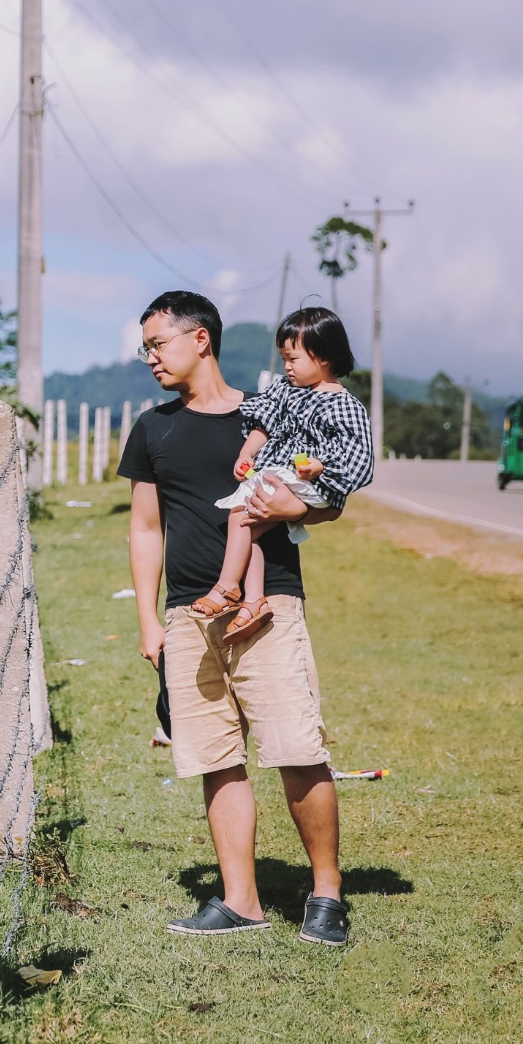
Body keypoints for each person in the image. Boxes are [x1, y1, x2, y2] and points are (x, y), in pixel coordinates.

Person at [117, 291, 350, 945]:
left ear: (201, 340)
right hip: (189, 613)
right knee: (216, 756)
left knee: (297, 747)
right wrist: (149, 620)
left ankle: (327, 892)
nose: (150, 357)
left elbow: (326, 498)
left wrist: (290, 511)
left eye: (158, 343)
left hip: (268, 601)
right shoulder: (152, 427)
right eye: (146, 347)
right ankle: (240, 899)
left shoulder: (270, 413)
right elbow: (144, 529)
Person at [188, 307, 374, 646]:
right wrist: (247, 452)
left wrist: (319, 465)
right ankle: (253, 601)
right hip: (281, 474)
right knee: (249, 525)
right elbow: (264, 423)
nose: (286, 366)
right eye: (283, 358)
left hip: (317, 483)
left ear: (324, 358)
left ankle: (227, 587)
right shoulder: (285, 390)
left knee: (241, 516)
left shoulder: (344, 406)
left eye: (294, 359)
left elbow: (356, 454)